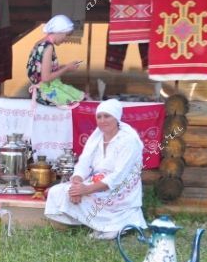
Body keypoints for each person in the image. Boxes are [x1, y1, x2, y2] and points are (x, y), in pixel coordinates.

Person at [44, 99, 146, 239]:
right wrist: (76, 185)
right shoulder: (96, 137)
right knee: (58, 191)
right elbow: (84, 163)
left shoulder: (129, 141)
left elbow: (119, 175)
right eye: (99, 116)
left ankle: (117, 226)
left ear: (116, 117)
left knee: (93, 194)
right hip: (97, 180)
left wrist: (86, 189)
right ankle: (98, 225)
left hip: (121, 185)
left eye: (107, 116)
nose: (102, 120)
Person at [27, 15, 86, 107]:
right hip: (45, 93)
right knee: (79, 102)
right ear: (59, 31)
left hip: (40, 91)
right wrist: (66, 68)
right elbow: (46, 78)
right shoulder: (48, 47)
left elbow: (40, 70)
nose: (66, 39)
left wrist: (64, 67)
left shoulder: (39, 43)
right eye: (67, 35)